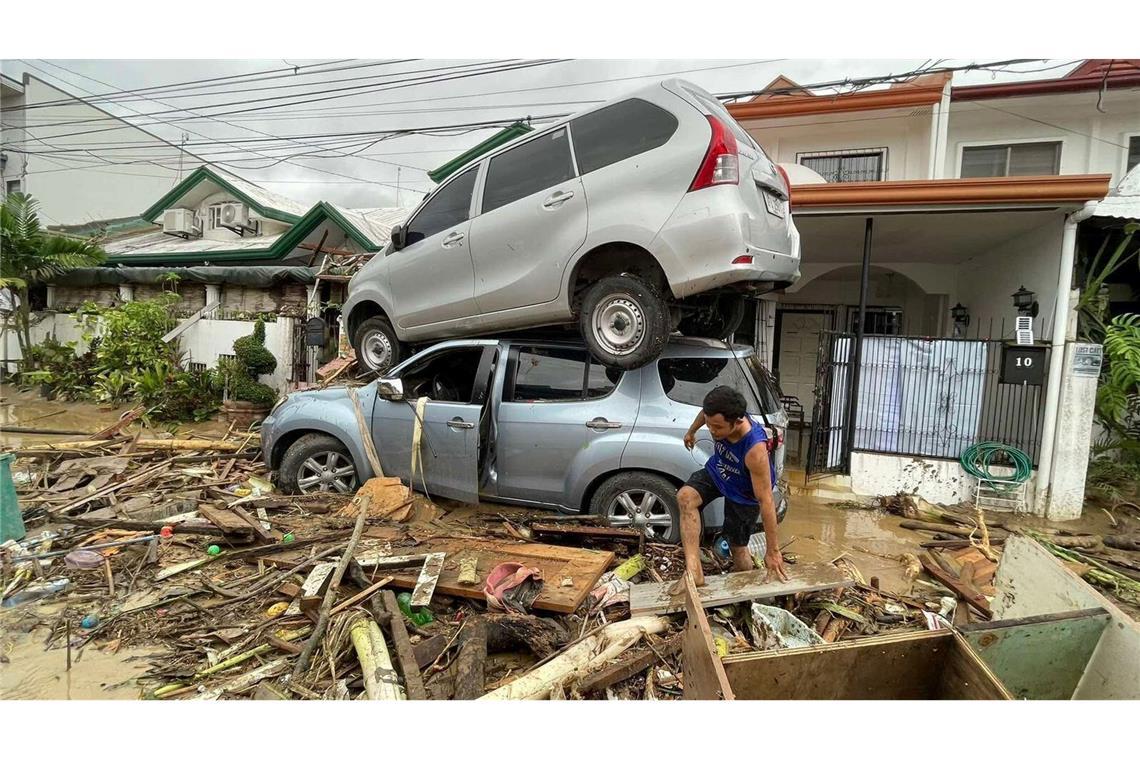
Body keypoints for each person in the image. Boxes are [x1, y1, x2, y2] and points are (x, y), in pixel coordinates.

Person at [678, 385, 788, 586]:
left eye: (718, 428)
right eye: (710, 425)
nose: (712, 430)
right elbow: (705, 414)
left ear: (737, 422)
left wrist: (772, 551)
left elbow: (766, 501)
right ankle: (694, 571)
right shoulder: (718, 414)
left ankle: (744, 590)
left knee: (738, 549)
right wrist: (691, 432)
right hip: (720, 472)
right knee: (685, 497)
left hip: (745, 494)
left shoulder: (755, 451)